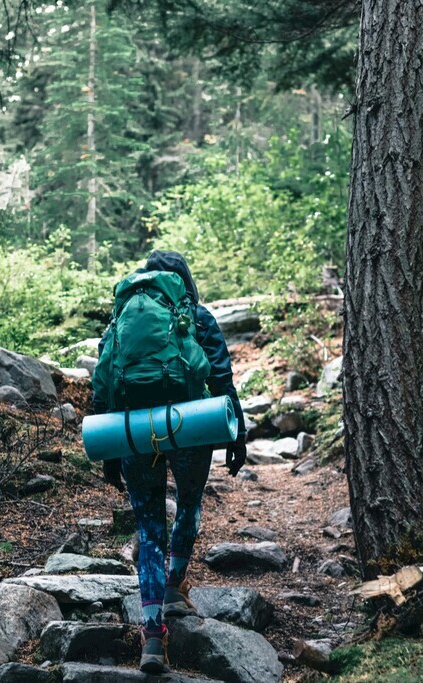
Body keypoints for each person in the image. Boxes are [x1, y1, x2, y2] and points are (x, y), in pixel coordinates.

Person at [91, 250, 247, 674]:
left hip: (134, 432)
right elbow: (221, 377)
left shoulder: (124, 316)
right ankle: (175, 585)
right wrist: (238, 434)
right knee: (190, 505)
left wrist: (109, 451)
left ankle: (153, 637)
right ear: (185, 280)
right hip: (191, 427)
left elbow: (103, 380)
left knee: (149, 529)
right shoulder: (196, 315)